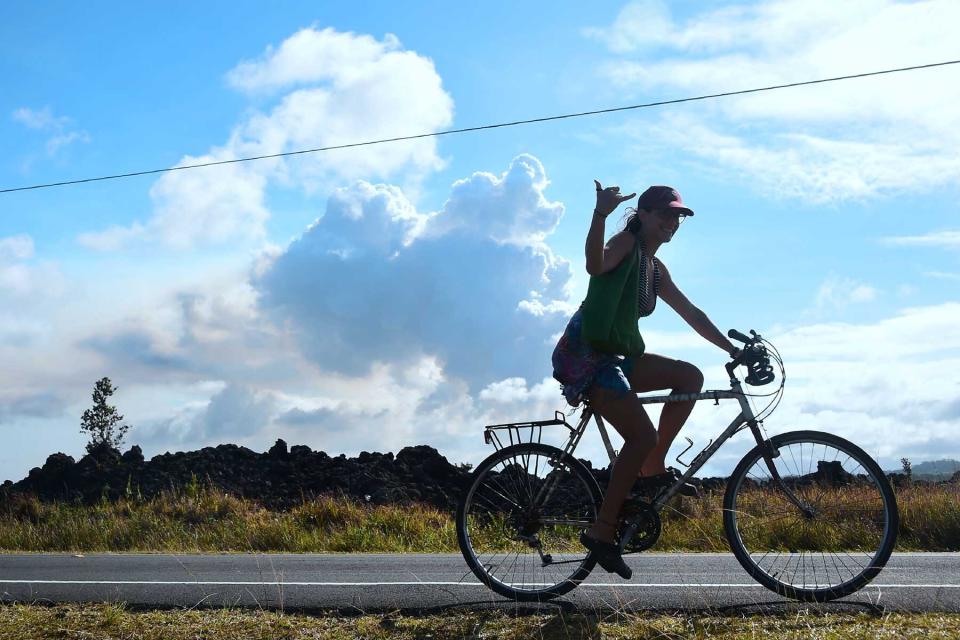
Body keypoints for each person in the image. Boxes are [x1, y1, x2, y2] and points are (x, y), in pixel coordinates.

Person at [551, 181, 741, 579]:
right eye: (667, 214)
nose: (673, 221)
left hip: (617, 357)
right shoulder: (624, 243)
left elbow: (693, 313)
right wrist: (600, 213)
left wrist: (732, 350)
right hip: (587, 358)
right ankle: (602, 532)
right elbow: (594, 265)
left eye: (678, 216)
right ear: (645, 214)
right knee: (641, 435)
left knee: (689, 376)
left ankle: (653, 468)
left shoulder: (654, 268)